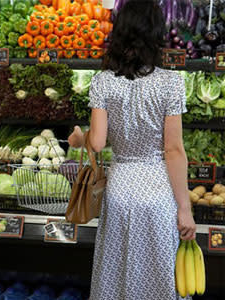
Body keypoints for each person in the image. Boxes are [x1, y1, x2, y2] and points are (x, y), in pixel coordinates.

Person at [68, 1, 196, 299]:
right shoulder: (171, 83)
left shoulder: (102, 82)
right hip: (158, 192)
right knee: (161, 271)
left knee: (116, 271)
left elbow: (97, 143)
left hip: (120, 189)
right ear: (156, 34)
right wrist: (185, 209)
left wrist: (79, 139)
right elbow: (174, 150)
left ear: (119, 33)